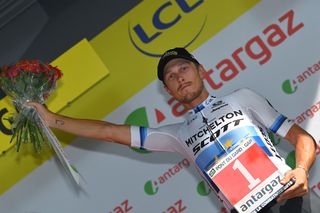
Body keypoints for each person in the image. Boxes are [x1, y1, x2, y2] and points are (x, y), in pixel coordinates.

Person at [28, 47, 316, 212]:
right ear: (168, 91)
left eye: (183, 69)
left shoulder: (242, 98)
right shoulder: (177, 135)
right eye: (171, 77)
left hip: (289, 197)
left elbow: (301, 138)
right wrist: (53, 120)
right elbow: (109, 131)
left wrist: (301, 169)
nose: (179, 78)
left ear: (200, 70)